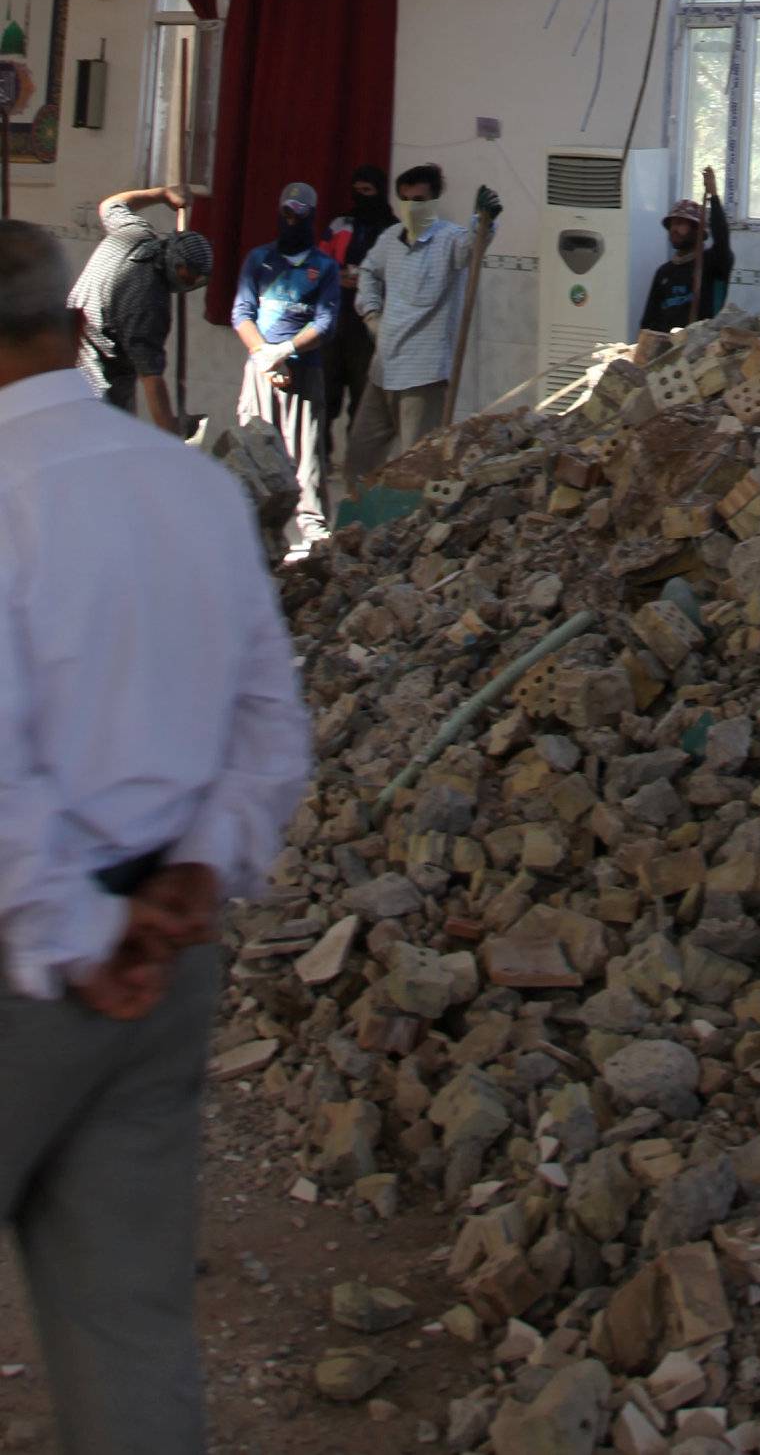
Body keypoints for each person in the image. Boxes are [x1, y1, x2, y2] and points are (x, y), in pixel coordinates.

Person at [0, 217, 311, 1455]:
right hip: (169, 964)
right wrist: (186, 880)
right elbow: (270, 721)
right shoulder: (186, 482)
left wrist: (83, 929)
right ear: (76, 329)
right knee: (127, 1323)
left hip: (33, 969)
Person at [356, 163, 500, 460]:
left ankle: (416, 509)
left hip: (423, 377)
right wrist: (371, 314)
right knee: (361, 456)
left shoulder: (449, 239)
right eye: (405, 200)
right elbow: (368, 271)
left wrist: (483, 221)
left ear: (433, 201)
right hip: (383, 368)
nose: (412, 208)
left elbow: (473, 245)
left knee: (417, 461)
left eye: (419, 201)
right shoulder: (390, 239)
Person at [230, 182, 339, 557]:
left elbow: (325, 323)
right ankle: (249, 531)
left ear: (310, 217)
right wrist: (264, 355)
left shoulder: (323, 268)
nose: (291, 220)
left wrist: (286, 351)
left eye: (299, 215)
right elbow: (241, 314)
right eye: (286, 213)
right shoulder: (259, 260)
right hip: (260, 371)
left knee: (304, 459)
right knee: (254, 451)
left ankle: (313, 535)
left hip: (302, 374)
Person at [70, 212, 212, 430]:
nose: (190, 283)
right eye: (188, 276)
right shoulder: (149, 303)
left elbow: (110, 206)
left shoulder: (136, 232)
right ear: (175, 261)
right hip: (97, 375)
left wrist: (162, 194)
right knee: (103, 440)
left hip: (63, 350)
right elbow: (151, 378)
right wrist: (169, 435)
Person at [321, 163, 392, 458]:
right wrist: (337, 276)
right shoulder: (340, 224)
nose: (361, 196)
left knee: (363, 397)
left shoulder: (392, 230)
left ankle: (358, 466)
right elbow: (320, 260)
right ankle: (319, 458)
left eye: (368, 191)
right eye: (357, 190)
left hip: (369, 323)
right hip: (335, 317)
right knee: (325, 393)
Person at [641, 166, 731, 332]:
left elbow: (722, 240)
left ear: (697, 230)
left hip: (700, 349)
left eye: (681, 224)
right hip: (667, 350)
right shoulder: (664, 273)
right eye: (672, 225)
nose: (674, 229)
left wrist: (714, 196)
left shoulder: (712, 264)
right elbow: (648, 321)